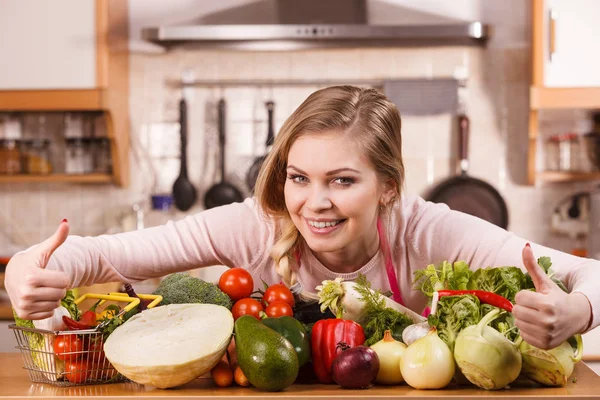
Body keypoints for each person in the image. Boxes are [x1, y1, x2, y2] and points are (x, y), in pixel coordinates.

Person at [6, 86, 599, 350]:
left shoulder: (431, 231)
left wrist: (579, 309)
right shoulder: (258, 225)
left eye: (342, 180)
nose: (315, 202)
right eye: (299, 177)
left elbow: (588, 274)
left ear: (388, 186)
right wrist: (30, 270)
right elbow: (106, 255)